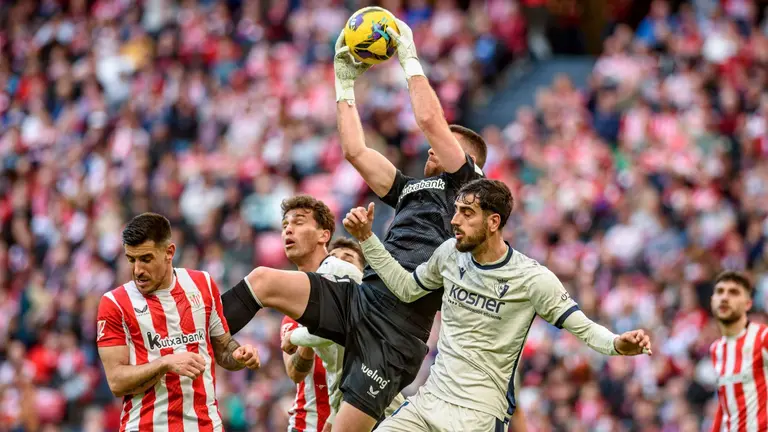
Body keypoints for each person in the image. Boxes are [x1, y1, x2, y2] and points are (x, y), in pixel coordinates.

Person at [221, 15, 487, 431]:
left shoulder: (469, 185)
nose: (434, 149)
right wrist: (343, 83)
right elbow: (355, 151)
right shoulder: (414, 188)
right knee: (262, 280)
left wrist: (408, 55)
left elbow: (431, 122)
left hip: (397, 334)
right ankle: (208, 339)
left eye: (448, 145)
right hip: (364, 299)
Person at [341, 178, 653, 431]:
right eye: (456, 210)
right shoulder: (450, 254)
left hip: (478, 416)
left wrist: (617, 344)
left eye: (466, 213)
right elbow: (408, 289)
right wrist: (368, 239)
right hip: (430, 401)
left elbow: (583, 328)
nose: (454, 220)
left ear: (493, 222)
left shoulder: (531, 278)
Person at [96, 213, 260, 432]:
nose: (137, 270)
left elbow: (224, 350)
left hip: (206, 425)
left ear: (169, 252)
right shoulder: (114, 303)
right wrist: (166, 363)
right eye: (131, 259)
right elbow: (116, 382)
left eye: (146, 259)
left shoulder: (202, 284)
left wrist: (240, 355)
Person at [275, 196, 363, 432]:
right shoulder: (292, 310)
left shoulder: (356, 292)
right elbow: (294, 373)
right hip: (308, 423)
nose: (288, 230)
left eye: (298, 222)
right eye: (284, 226)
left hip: (356, 418)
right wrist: (310, 325)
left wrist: (305, 333)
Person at [708, 271, 768, 431]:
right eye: (720, 292)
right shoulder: (716, 349)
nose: (725, 297)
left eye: (733, 292)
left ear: (748, 303)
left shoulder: (763, 337)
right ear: (712, 301)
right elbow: (725, 402)